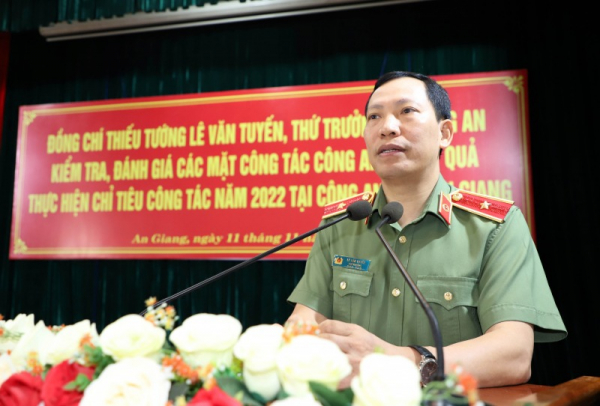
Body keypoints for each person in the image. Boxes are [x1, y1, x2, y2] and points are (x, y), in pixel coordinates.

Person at [286, 70, 567, 389]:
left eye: (406, 111)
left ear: (445, 132)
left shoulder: (494, 228)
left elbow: (513, 355)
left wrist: (401, 361)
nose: (387, 127)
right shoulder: (341, 224)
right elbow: (305, 321)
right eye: (374, 116)